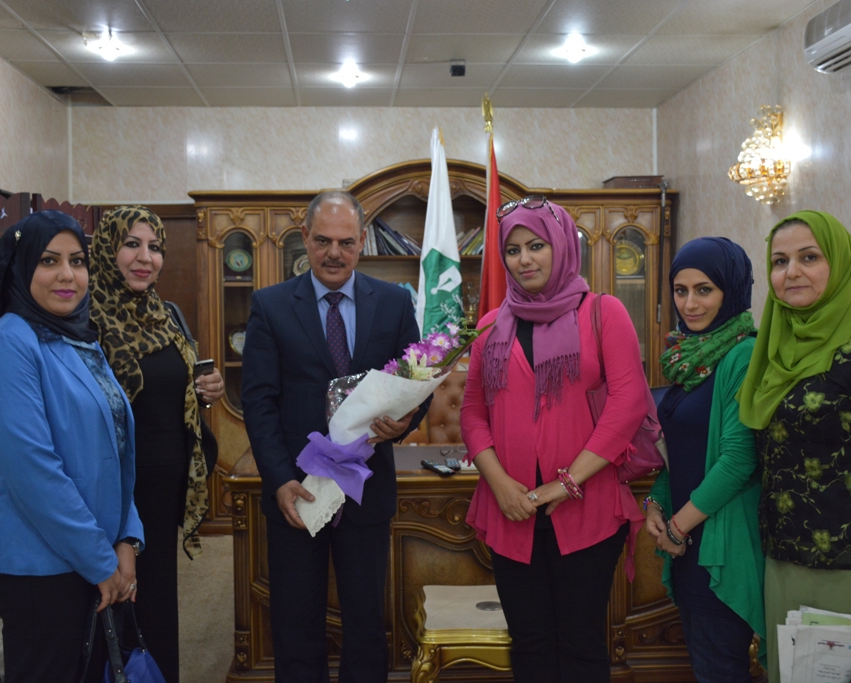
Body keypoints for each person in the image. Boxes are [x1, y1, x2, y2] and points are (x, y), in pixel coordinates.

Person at [240, 191, 429, 683]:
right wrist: (279, 479)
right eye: (322, 240)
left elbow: (418, 383)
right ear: (305, 237)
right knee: (295, 623)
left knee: (366, 624)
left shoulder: (394, 303)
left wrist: (407, 422)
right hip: (297, 492)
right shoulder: (270, 306)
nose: (333, 253)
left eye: (346, 242)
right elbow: (258, 402)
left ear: (362, 241)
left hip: (366, 490)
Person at [460, 196, 649, 683]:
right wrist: (499, 483)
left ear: (562, 246)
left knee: (581, 644)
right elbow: (473, 412)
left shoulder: (603, 312)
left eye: (536, 246)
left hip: (586, 506)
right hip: (512, 511)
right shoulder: (490, 326)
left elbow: (628, 403)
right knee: (529, 644)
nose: (524, 260)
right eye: (513, 250)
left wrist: (567, 482)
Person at [737, 211, 851, 681]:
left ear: (838, 264)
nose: (791, 272)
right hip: (786, 567)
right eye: (779, 261)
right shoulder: (775, 351)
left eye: (809, 257)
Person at [0, 211, 143, 683]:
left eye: (77, 261)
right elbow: (34, 470)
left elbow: (117, 451)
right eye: (49, 261)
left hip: (98, 555)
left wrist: (127, 538)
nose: (67, 275)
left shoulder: (80, 340)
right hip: (42, 566)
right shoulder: (7, 343)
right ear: (20, 268)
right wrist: (100, 560)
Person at [88, 205, 225, 683]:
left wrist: (205, 392)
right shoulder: (85, 319)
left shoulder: (167, 315)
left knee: (158, 602)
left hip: (165, 489)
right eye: (132, 244)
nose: (145, 258)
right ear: (107, 250)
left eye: (154, 247)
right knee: (113, 604)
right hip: (113, 489)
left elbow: (174, 389)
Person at [643, 237, 764, 682]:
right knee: (707, 667)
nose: (689, 304)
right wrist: (655, 502)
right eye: (680, 290)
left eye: (704, 290)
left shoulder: (742, 354)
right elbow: (678, 448)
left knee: (721, 669)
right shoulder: (690, 357)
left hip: (721, 543)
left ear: (731, 291)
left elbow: (738, 459)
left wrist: (678, 526)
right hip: (688, 540)